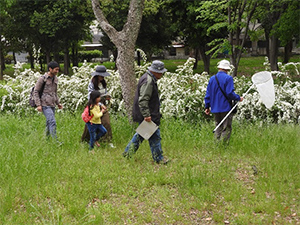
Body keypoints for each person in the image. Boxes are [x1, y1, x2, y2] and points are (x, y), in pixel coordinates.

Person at [123, 60, 169, 164]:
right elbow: (143, 99)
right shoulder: (148, 81)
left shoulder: (148, 78)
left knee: (141, 135)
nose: (162, 74)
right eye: (161, 71)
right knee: (155, 137)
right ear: (155, 71)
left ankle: (128, 153)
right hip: (148, 115)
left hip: (146, 114)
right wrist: (147, 115)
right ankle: (159, 159)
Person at [204, 59, 244, 142]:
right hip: (225, 107)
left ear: (219, 68)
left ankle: (216, 144)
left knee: (218, 126)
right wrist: (238, 98)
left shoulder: (212, 79)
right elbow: (229, 93)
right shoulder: (228, 78)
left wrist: (207, 106)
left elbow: (208, 94)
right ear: (227, 69)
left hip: (214, 107)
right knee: (226, 127)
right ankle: (223, 146)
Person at [81, 65, 115, 148]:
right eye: (101, 75)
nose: (103, 77)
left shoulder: (103, 83)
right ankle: (86, 140)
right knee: (91, 123)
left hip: (103, 105)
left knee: (106, 122)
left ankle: (107, 140)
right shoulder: (92, 84)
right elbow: (91, 97)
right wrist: (99, 104)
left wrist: (107, 97)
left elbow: (104, 93)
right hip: (94, 106)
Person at [33, 61, 63, 140]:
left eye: (58, 70)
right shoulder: (42, 79)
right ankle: (55, 141)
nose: (57, 71)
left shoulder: (55, 79)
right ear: (50, 69)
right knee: (52, 121)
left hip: (52, 104)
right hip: (44, 104)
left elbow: (54, 92)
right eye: (56, 70)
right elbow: (35, 92)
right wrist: (38, 105)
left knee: (48, 123)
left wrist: (58, 103)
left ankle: (46, 139)